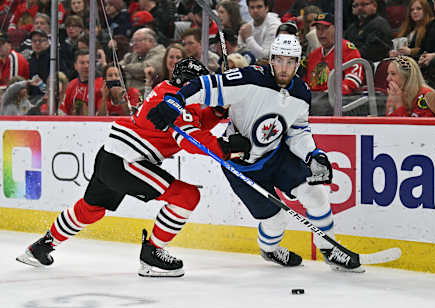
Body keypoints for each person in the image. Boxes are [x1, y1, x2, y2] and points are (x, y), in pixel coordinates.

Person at [16, 57, 251, 277]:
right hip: (127, 161)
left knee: (91, 209)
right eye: (199, 85)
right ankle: (152, 255)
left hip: (111, 154)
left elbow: (194, 119)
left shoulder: (168, 91)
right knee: (187, 196)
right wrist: (227, 147)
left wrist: (216, 112)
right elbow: (191, 140)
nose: (202, 91)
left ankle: (40, 247)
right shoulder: (175, 103)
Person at [148, 34, 365, 272]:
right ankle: (270, 250)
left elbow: (298, 130)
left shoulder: (301, 92)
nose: (284, 67)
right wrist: (176, 100)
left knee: (316, 194)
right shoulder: (249, 78)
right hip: (240, 165)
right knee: (276, 220)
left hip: (277, 156)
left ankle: (330, 249)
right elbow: (204, 85)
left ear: (298, 63)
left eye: (290, 62)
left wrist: (313, 155)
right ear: (271, 60)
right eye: (279, 60)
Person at [303, 13, 363, 116]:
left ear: (337, 29)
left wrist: (331, 92)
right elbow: (307, 82)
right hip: (314, 100)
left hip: (335, 103)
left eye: (325, 28)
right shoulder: (314, 54)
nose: (321, 33)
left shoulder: (347, 49)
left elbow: (354, 80)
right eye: (318, 29)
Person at [120, 28, 166, 94]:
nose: (134, 44)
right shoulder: (134, 54)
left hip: (147, 96)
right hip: (129, 95)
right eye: (132, 41)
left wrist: (124, 68)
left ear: (151, 41)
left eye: (138, 40)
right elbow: (117, 66)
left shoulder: (161, 53)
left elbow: (143, 68)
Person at [58, 50, 103, 115]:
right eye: (82, 63)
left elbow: (102, 116)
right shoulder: (71, 85)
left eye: (89, 62)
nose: (86, 66)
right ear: (75, 66)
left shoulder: (102, 85)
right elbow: (62, 112)